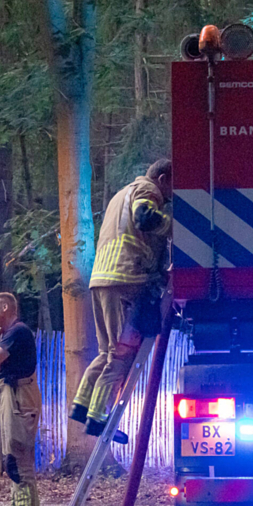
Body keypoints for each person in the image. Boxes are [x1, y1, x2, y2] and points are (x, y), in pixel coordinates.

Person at [70, 158, 172, 437]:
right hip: (127, 279)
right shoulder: (148, 190)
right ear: (162, 179)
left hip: (102, 279)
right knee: (121, 355)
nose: (170, 197)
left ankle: (82, 406)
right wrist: (178, 229)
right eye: (171, 188)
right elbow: (145, 218)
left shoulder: (120, 195)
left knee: (106, 351)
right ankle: (100, 418)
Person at [0, 292, 42, 506]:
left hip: (19, 395)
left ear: (6, 307)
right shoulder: (10, 333)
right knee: (11, 453)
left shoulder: (17, 332)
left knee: (18, 454)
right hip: (11, 393)